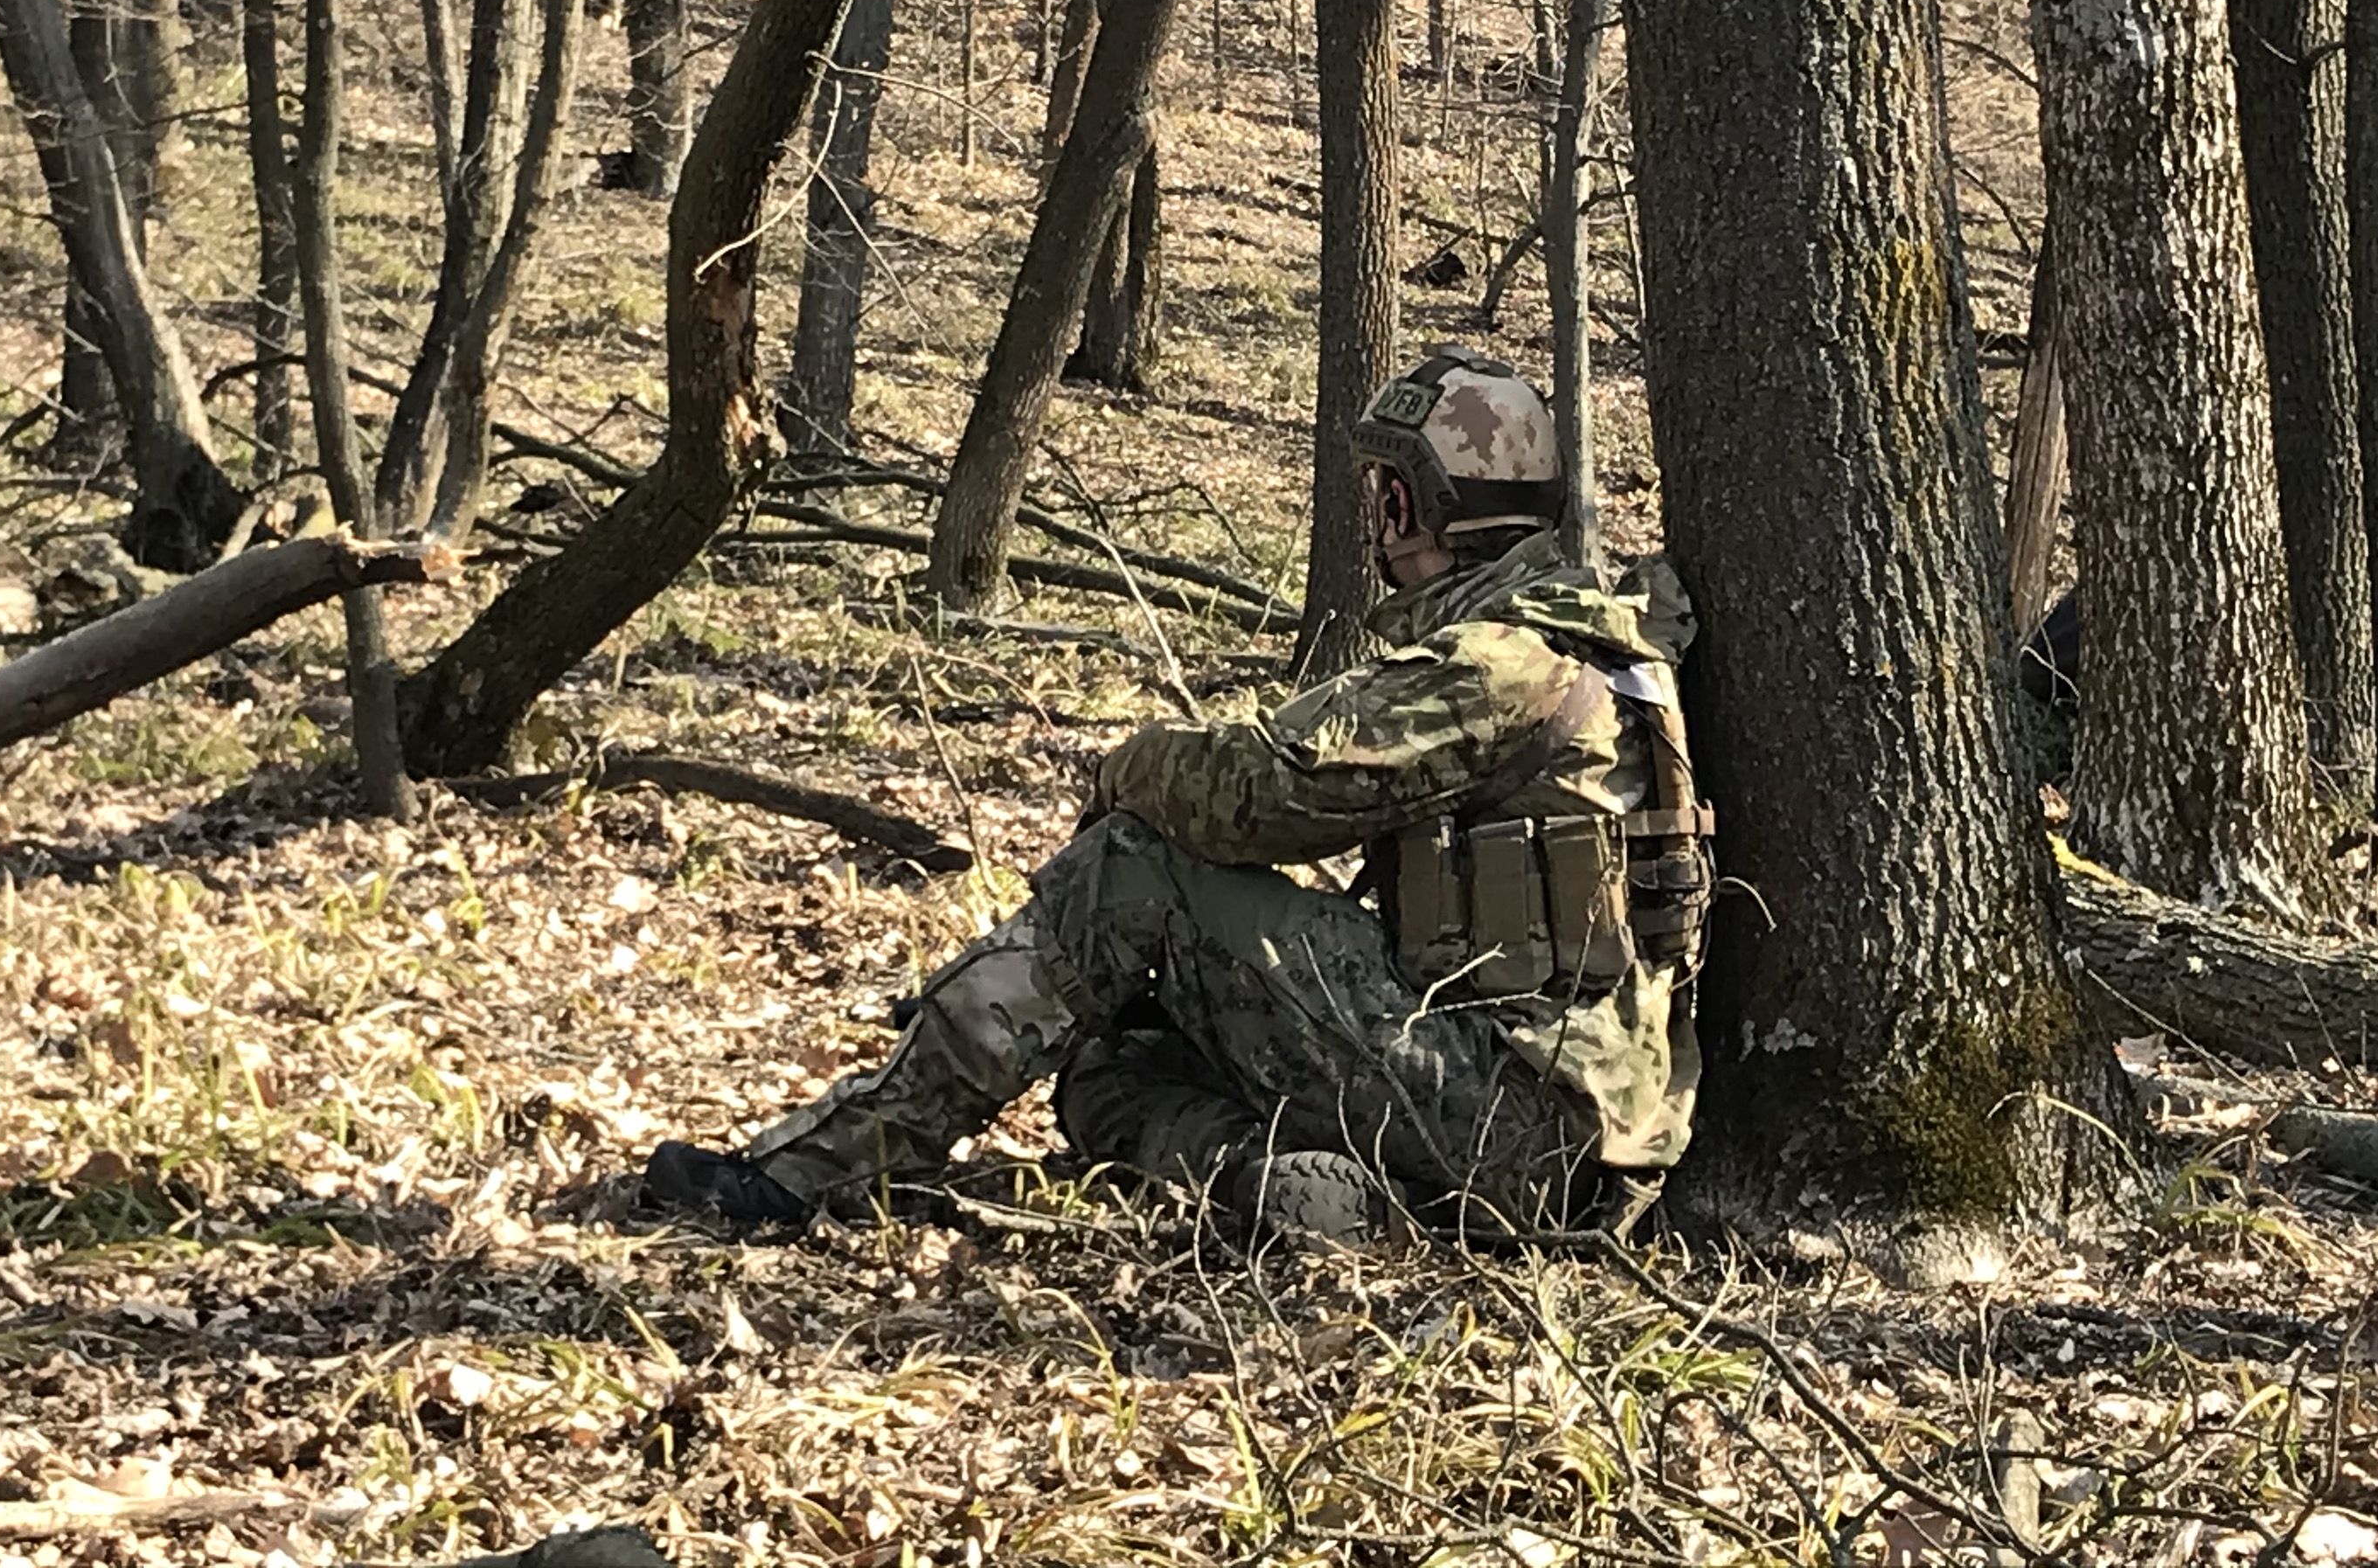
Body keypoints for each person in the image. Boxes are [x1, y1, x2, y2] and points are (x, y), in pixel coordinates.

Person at [643, 348, 1711, 1239]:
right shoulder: (1606, 646)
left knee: (1134, 866)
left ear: (1409, 504)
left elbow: (1260, 791)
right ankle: (1303, 1196)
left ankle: (828, 1167)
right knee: (1111, 1074)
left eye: (1383, 490)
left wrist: (1128, 769)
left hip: (1509, 1110)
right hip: (1574, 1142)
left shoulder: (1504, 664)